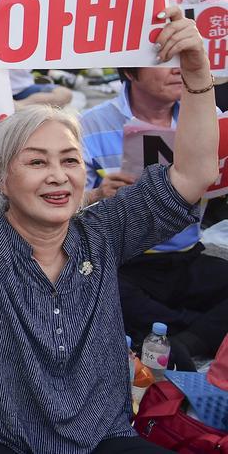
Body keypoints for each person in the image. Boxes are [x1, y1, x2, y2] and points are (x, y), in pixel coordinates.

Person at [0, 7, 217, 453]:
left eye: (69, 160)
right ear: (3, 179)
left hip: (99, 436)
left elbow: (193, 176)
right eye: (37, 161)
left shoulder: (102, 232)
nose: (58, 175)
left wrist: (198, 76)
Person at [81, 62, 228, 366]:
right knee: (94, 291)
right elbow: (65, 207)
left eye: (182, 61)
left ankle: (179, 337)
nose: (178, 70)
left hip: (187, 254)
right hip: (125, 263)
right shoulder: (88, 125)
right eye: (164, 63)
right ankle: (195, 329)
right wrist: (97, 196)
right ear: (130, 72)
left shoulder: (206, 118)